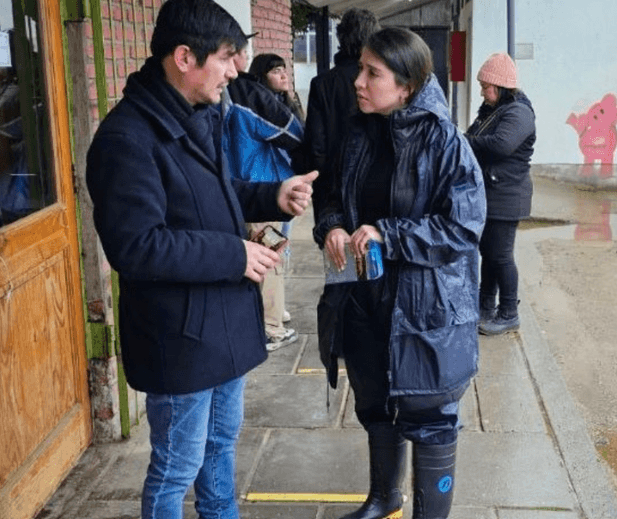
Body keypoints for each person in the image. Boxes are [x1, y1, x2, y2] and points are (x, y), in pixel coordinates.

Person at [84, 0, 317, 517]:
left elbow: (213, 193)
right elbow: (136, 246)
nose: (236, 70)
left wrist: (271, 195)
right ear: (185, 57)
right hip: (180, 336)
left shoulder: (199, 113)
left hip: (224, 326)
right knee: (176, 468)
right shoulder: (126, 139)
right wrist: (234, 253)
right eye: (228, 57)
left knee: (219, 451)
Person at [313, 28, 486, 519]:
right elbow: (332, 198)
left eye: (373, 73)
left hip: (425, 308)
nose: (359, 82)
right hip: (363, 298)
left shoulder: (447, 143)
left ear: (406, 85)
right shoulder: (357, 133)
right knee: (375, 403)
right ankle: (384, 497)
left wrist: (389, 234)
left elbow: (463, 228)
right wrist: (330, 227)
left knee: (429, 415)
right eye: (360, 69)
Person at [223, 44, 305, 351]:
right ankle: (272, 328)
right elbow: (295, 133)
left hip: (237, 188)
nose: (282, 75)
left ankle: (269, 315)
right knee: (270, 258)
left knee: (263, 255)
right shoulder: (248, 97)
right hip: (260, 187)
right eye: (275, 70)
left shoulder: (215, 96)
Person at [464, 52, 536, 336]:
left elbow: (501, 145)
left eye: (486, 86)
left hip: (508, 194)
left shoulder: (519, 112)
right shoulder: (492, 109)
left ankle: (509, 312)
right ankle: (485, 306)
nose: (482, 91)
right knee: (489, 253)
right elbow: (475, 136)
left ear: (502, 86)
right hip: (493, 191)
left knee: (501, 256)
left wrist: (466, 141)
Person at [302, 7, 379, 217]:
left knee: (334, 245)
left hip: (331, 186)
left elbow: (316, 145)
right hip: (372, 184)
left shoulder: (322, 84)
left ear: (341, 37)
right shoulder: (383, 81)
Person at [248, 52, 304, 122]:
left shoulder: (290, 104)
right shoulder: (252, 109)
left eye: (284, 71)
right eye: (276, 72)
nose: (284, 76)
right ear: (261, 77)